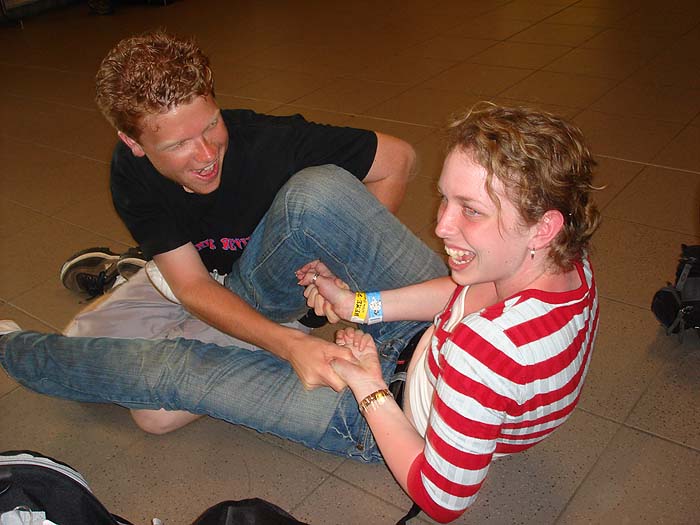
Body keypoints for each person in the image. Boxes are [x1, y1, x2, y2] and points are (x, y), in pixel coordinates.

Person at [0, 103, 600, 523]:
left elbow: (443, 498)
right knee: (323, 191)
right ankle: (218, 305)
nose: (441, 226)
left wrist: (368, 386)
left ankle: (13, 350)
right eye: (445, 199)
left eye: (470, 210)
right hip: (431, 350)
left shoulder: (484, 353)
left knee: (175, 373)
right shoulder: (560, 263)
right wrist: (358, 304)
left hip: (394, 418)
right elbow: (460, 294)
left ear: (543, 226)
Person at [59, 30, 445, 395]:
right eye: (179, 144)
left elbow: (398, 158)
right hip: (201, 276)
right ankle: (147, 266)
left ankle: (151, 270)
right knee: (95, 362)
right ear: (133, 143)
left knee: (318, 190)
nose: (207, 155)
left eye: (212, 124)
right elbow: (193, 285)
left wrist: (339, 258)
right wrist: (290, 346)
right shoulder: (130, 171)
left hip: (265, 289)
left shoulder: (270, 143)